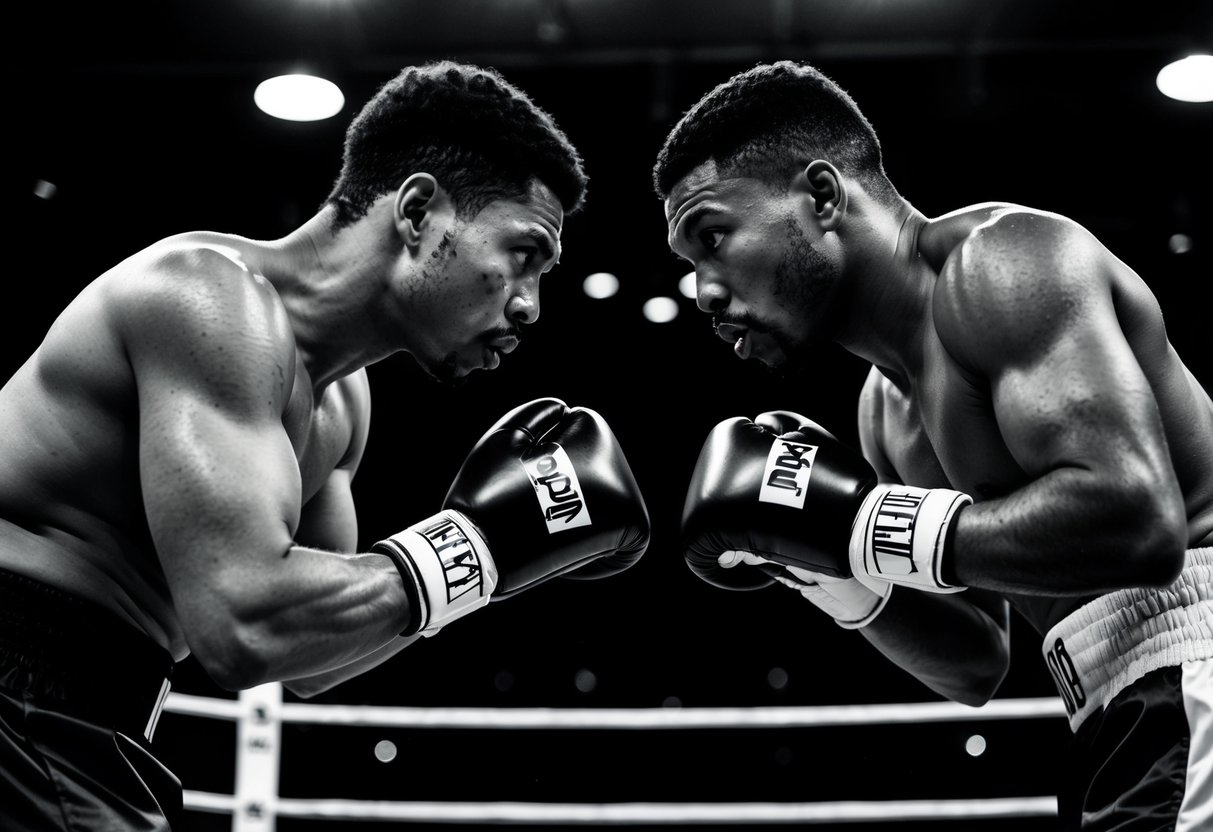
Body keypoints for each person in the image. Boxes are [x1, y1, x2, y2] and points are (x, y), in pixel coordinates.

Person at [0, 60, 651, 831]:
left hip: (89, 725)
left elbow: (309, 662)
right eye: (521, 255)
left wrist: (494, 562)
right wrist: (477, 543)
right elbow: (245, 624)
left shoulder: (342, 404)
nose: (530, 305)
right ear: (417, 211)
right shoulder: (204, 297)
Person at [656, 60, 1213, 830]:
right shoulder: (884, 413)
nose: (703, 292)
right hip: (1117, 713)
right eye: (689, 266)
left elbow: (1136, 522)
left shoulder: (1002, 267)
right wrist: (827, 567)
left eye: (712, 237)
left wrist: (861, 528)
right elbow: (976, 663)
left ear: (822, 197)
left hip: (1196, 673)